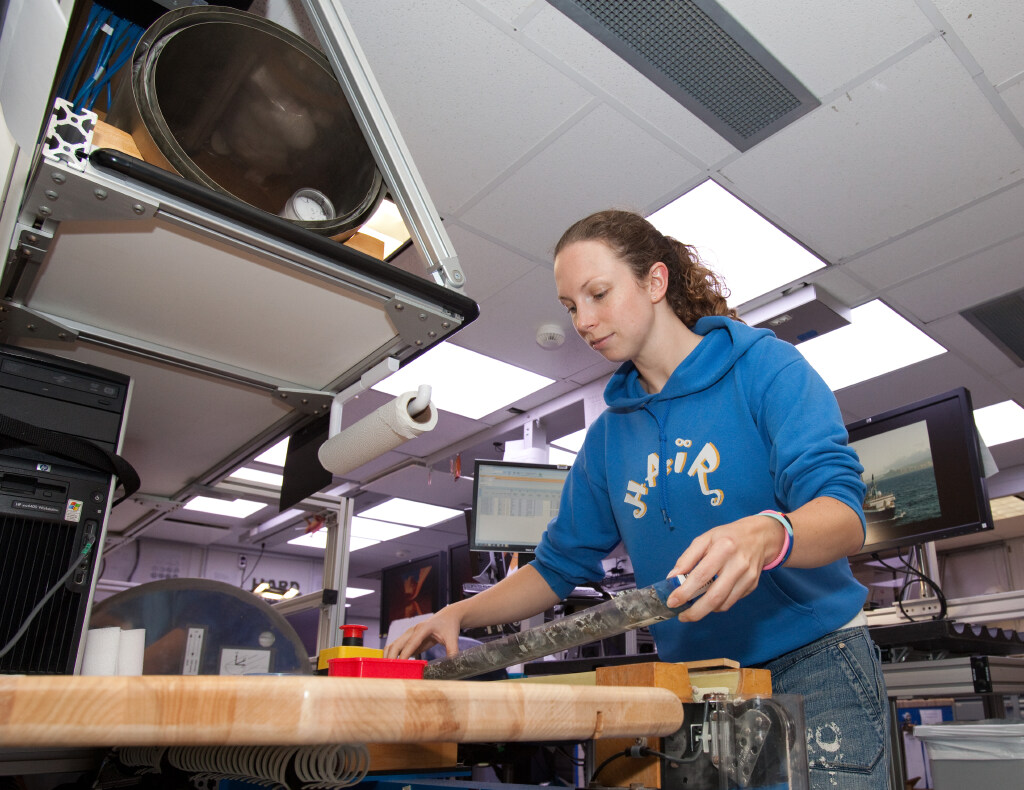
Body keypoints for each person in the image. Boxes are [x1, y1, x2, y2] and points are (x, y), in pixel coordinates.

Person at [385, 209, 891, 790]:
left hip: (813, 661)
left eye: (598, 294)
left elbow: (845, 516)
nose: (585, 320)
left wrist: (769, 532)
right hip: (695, 682)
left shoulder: (765, 370)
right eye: (572, 306)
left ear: (655, 282)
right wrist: (456, 614)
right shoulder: (608, 436)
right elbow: (556, 568)